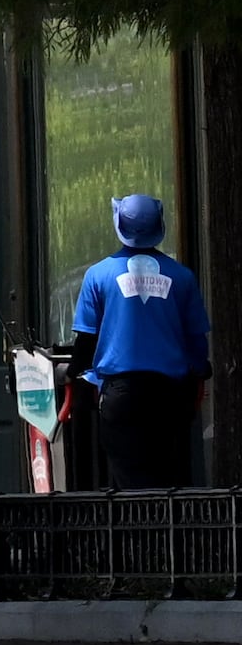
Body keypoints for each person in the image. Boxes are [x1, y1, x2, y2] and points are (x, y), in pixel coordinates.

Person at [73, 192, 212, 491]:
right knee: (170, 479)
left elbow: (86, 339)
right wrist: (200, 372)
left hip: (121, 394)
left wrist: (73, 372)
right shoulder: (182, 277)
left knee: (129, 482)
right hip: (170, 395)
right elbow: (197, 342)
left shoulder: (98, 276)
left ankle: (135, 537)